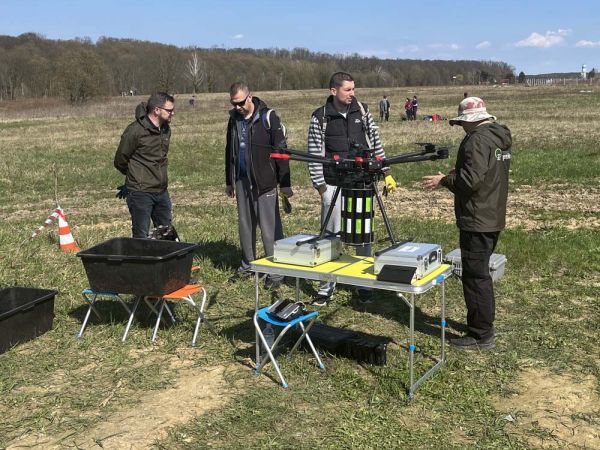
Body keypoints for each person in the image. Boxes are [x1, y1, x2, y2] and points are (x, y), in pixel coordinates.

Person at [422, 97, 512, 350]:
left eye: (462, 122)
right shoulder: (498, 137)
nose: (461, 127)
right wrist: (457, 172)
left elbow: (470, 181)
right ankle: (483, 324)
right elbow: (483, 173)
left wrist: (444, 180)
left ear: (470, 121)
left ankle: (480, 334)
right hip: (492, 213)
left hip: (477, 218)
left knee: (475, 276)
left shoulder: (477, 140)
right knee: (480, 272)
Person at [307, 72, 397, 306]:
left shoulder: (363, 111)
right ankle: (326, 287)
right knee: (330, 235)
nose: (352, 94)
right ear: (333, 91)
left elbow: (375, 143)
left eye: (354, 89)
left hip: (361, 181)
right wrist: (321, 187)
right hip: (333, 182)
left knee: (363, 234)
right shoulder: (320, 117)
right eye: (347, 90)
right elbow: (314, 154)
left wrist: (385, 172)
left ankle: (363, 284)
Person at [225, 82, 293, 291]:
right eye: (233, 103)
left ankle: (275, 271)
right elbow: (230, 150)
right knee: (245, 225)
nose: (237, 107)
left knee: (269, 229)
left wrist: (285, 184)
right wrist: (230, 180)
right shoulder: (233, 120)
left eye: (240, 103)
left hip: (265, 182)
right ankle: (248, 265)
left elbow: (281, 151)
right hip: (242, 180)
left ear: (250, 97)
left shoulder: (268, 117)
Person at [114, 92, 175, 238]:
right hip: (140, 193)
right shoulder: (135, 131)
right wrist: (135, 177)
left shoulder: (166, 129)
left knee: (167, 233)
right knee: (141, 236)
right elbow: (120, 160)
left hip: (161, 191)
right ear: (156, 110)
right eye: (169, 110)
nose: (173, 113)